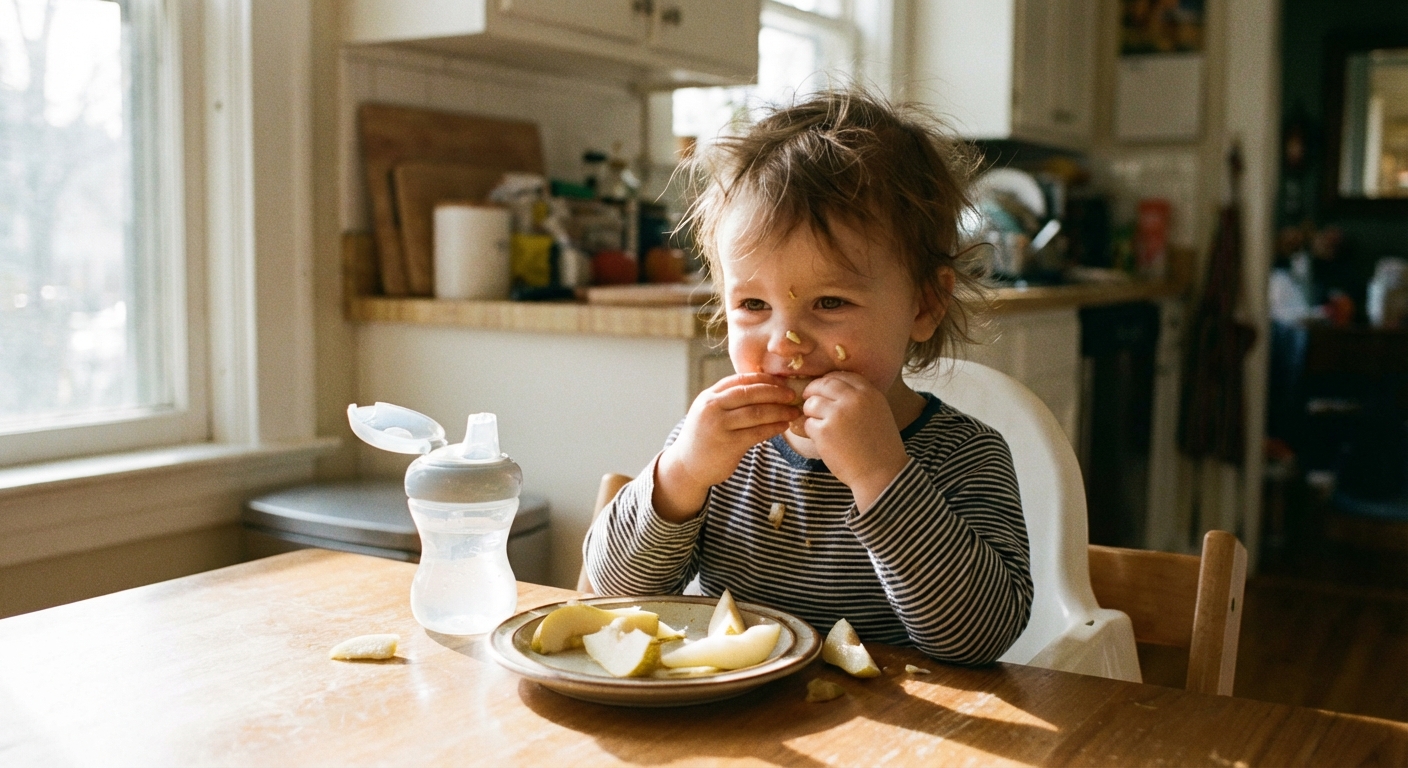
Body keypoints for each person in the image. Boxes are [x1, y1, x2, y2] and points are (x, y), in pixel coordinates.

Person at [584, 89, 1032, 665]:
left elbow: (979, 639)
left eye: (829, 302)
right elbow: (611, 594)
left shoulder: (966, 456)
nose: (784, 343)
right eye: (752, 305)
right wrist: (681, 476)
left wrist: (880, 476)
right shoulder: (719, 448)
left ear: (924, 306)